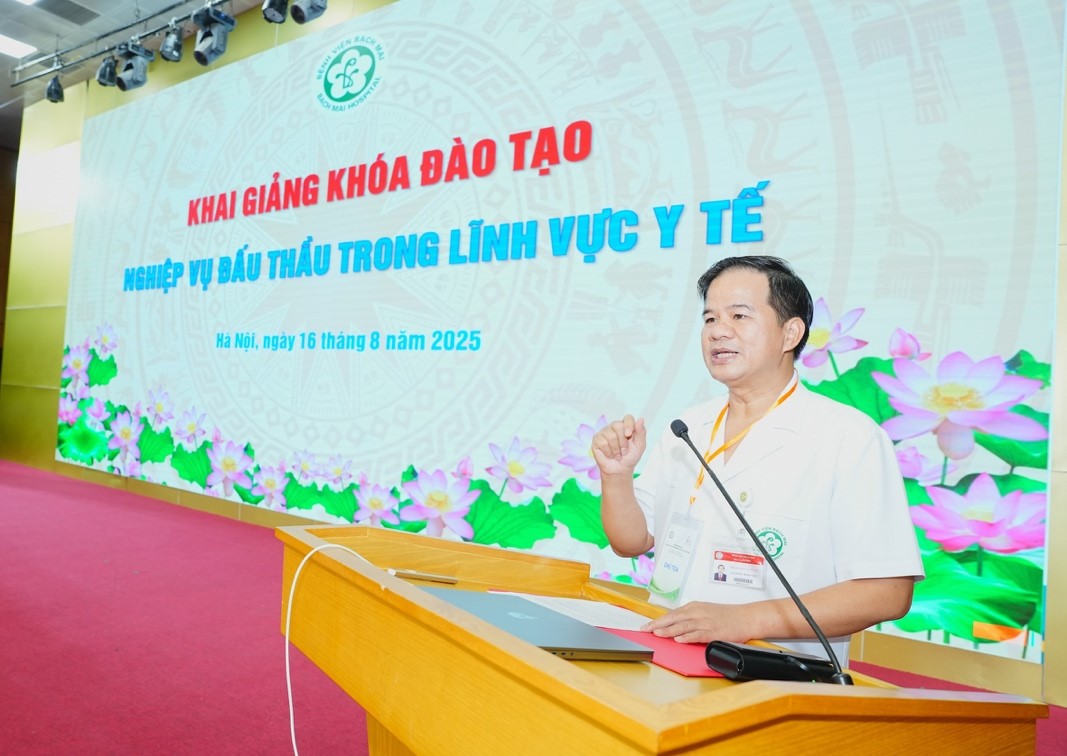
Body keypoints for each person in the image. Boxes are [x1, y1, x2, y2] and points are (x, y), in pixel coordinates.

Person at [591, 255, 923, 662]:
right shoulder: (688, 427)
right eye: (710, 319)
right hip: (668, 657)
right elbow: (632, 541)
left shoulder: (849, 437)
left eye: (739, 316)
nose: (718, 331)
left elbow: (887, 592)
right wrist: (617, 476)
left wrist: (744, 620)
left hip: (778, 675)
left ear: (790, 333)